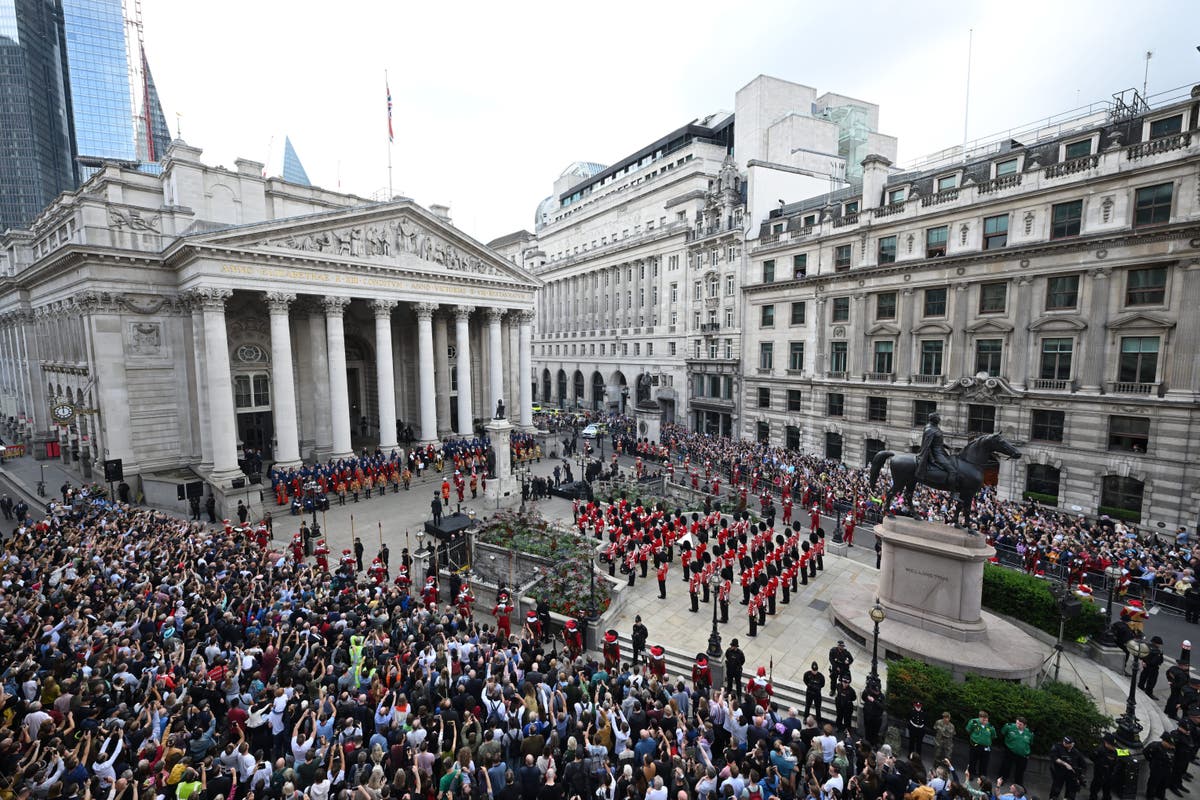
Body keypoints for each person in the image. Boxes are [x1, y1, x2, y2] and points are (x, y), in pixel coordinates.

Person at [916, 412, 957, 488]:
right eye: (938, 418)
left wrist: (947, 447)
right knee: (953, 471)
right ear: (934, 419)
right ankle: (952, 492)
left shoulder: (935, 427)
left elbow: (937, 442)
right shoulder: (930, 430)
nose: (940, 419)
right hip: (937, 454)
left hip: (941, 452)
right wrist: (932, 459)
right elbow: (927, 446)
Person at [998, 717, 1033, 787]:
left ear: (1025, 726)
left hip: (1022, 754)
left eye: (1020, 724)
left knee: (1020, 770)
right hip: (1010, 751)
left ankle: (1019, 784)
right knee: (1006, 766)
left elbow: (1030, 743)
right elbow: (1002, 733)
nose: (1018, 725)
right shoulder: (1009, 727)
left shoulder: (1029, 733)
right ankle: (1002, 780)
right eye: (1017, 723)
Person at [1048, 736, 1086, 800]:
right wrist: (1065, 764)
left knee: (1070, 793)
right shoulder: (1058, 747)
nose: (1064, 743)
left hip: (1071, 775)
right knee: (1055, 790)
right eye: (1064, 742)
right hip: (1059, 772)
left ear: (1072, 744)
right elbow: (1054, 757)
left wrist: (1080, 776)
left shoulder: (1076, 752)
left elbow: (1083, 765)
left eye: (1067, 743)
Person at [965, 710, 997, 776]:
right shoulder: (973, 722)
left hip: (986, 747)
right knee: (973, 761)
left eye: (986, 719)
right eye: (983, 720)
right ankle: (971, 774)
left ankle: (982, 776)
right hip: (975, 745)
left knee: (984, 763)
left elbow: (993, 736)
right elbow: (968, 730)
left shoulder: (990, 726)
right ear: (979, 718)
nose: (985, 721)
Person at [1139, 635, 1166, 699]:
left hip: (1147, 665)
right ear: (1156, 643)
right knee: (1152, 681)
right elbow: (1157, 660)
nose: (1160, 645)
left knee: (1143, 677)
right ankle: (1149, 692)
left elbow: (1142, 655)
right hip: (1153, 667)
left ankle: (1140, 687)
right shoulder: (1157, 651)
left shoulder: (1147, 647)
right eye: (1159, 644)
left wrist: (1144, 661)